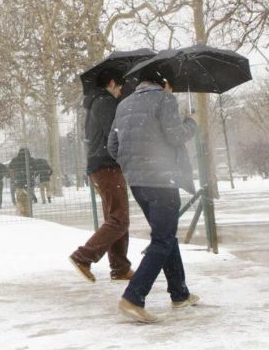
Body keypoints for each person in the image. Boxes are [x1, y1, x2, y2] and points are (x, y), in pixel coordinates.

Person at [107, 71, 199, 323]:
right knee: (162, 239)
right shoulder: (164, 100)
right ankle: (133, 297)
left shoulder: (124, 104)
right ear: (164, 82)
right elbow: (175, 136)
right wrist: (190, 122)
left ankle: (179, 293)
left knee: (165, 236)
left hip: (137, 182)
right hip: (161, 180)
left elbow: (112, 146)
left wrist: (132, 165)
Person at [68, 67, 133, 283]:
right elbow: (115, 133)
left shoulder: (97, 102)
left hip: (102, 165)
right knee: (119, 218)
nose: (121, 91)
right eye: (120, 87)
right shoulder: (105, 102)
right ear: (112, 82)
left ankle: (120, 268)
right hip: (107, 165)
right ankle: (83, 257)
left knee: (115, 217)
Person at [8, 147, 34, 216]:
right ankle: (27, 214)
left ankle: (20, 213)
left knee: (19, 200)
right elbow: (35, 169)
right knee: (27, 200)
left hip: (18, 182)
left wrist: (13, 176)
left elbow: (10, 168)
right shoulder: (31, 160)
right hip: (29, 183)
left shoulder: (15, 160)